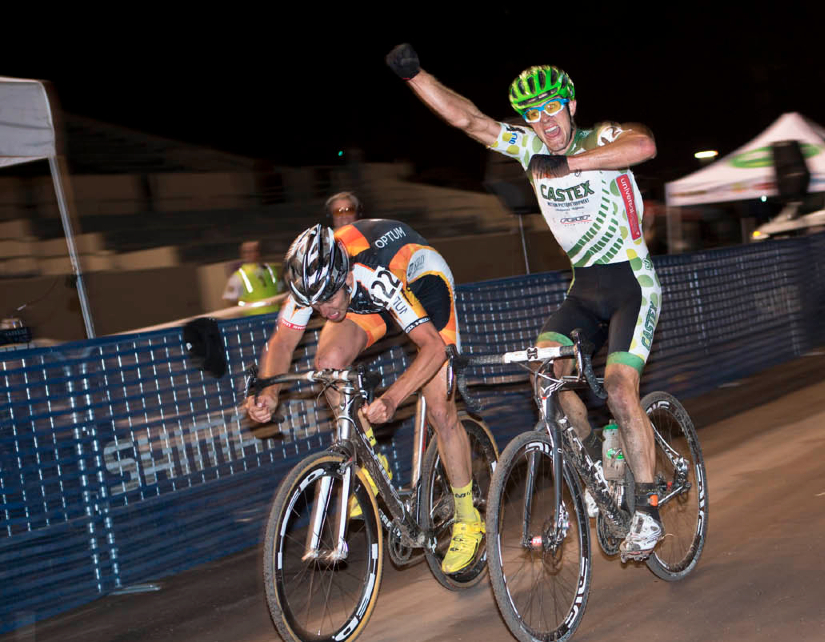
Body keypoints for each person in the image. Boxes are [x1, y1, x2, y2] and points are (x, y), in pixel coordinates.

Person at [385, 44, 665, 561]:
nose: (544, 121)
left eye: (552, 108)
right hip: (584, 288)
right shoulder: (527, 147)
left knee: (623, 390)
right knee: (545, 376)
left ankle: (647, 511)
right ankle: (597, 455)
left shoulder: (596, 136)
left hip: (632, 283)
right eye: (533, 114)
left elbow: (643, 145)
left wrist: (571, 162)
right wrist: (415, 75)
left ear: (571, 106)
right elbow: (469, 120)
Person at [243, 220, 484, 574]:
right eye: (315, 304)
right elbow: (282, 343)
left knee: (440, 411)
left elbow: (431, 349)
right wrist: (269, 391)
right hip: (368, 302)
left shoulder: (371, 272)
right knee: (328, 364)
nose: (323, 311)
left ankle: (468, 518)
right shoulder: (314, 284)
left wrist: (392, 398)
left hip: (422, 283)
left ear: (343, 277)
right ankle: (372, 465)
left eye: (328, 299)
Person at [222, 240, 281, 315]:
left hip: (276, 316)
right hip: (255, 320)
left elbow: (280, 291)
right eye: (246, 252)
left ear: (258, 252)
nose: (249, 254)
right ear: (242, 254)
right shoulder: (238, 276)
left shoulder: (270, 270)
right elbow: (229, 301)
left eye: (253, 251)